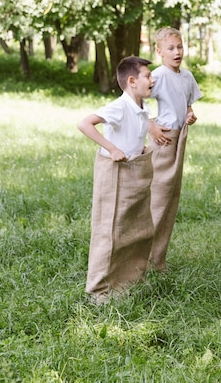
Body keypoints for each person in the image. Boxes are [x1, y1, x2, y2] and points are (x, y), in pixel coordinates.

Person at [77, 56, 156, 302]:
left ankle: (127, 280)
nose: (152, 80)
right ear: (132, 81)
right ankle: (99, 290)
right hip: (116, 173)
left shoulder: (142, 109)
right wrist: (111, 148)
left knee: (135, 229)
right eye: (147, 76)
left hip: (134, 172)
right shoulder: (119, 107)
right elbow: (85, 124)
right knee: (109, 230)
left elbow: (132, 134)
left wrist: (140, 148)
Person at [148, 27, 202, 271]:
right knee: (157, 197)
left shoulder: (187, 77)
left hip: (180, 138)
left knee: (170, 198)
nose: (177, 51)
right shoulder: (157, 76)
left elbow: (187, 105)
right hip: (163, 140)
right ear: (159, 51)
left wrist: (190, 115)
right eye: (170, 48)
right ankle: (144, 258)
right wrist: (152, 127)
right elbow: (134, 103)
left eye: (179, 46)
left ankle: (158, 260)